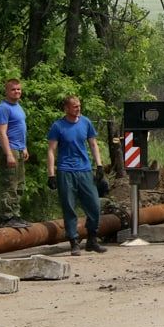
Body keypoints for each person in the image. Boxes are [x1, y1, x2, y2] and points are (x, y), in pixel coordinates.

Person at [47, 95, 107, 256]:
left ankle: (92, 239)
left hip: (84, 170)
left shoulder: (86, 122)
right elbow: (51, 150)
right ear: (66, 108)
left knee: (94, 205)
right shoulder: (58, 126)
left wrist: (99, 165)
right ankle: (73, 241)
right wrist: (51, 174)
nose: (78, 108)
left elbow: (93, 144)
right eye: (74, 106)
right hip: (66, 171)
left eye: (79, 105)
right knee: (69, 207)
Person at [0, 78, 30, 228]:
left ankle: (16, 214)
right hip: (9, 150)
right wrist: (8, 154)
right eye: (13, 89)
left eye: (19, 89)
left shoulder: (18, 107)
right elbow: (2, 133)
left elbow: (20, 129)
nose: (17, 92)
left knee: (19, 184)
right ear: (7, 91)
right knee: (9, 184)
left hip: (19, 149)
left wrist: (24, 147)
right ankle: (7, 217)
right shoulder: (3, 108)